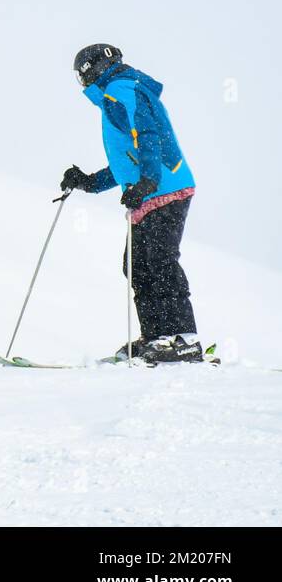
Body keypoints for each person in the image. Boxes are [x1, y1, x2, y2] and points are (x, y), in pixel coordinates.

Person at [60, 45, 202, 364]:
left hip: (165, 187)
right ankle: (157, 337)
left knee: (159, 261)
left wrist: (148, 181)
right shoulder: (115, 94)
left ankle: (182, 338)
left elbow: (149, 136)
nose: (80, 80)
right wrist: (88, 181)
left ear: (97, 67)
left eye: (82, 71)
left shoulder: (122, 88)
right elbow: (127, 159)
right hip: (148, 192)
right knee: (137, 264)